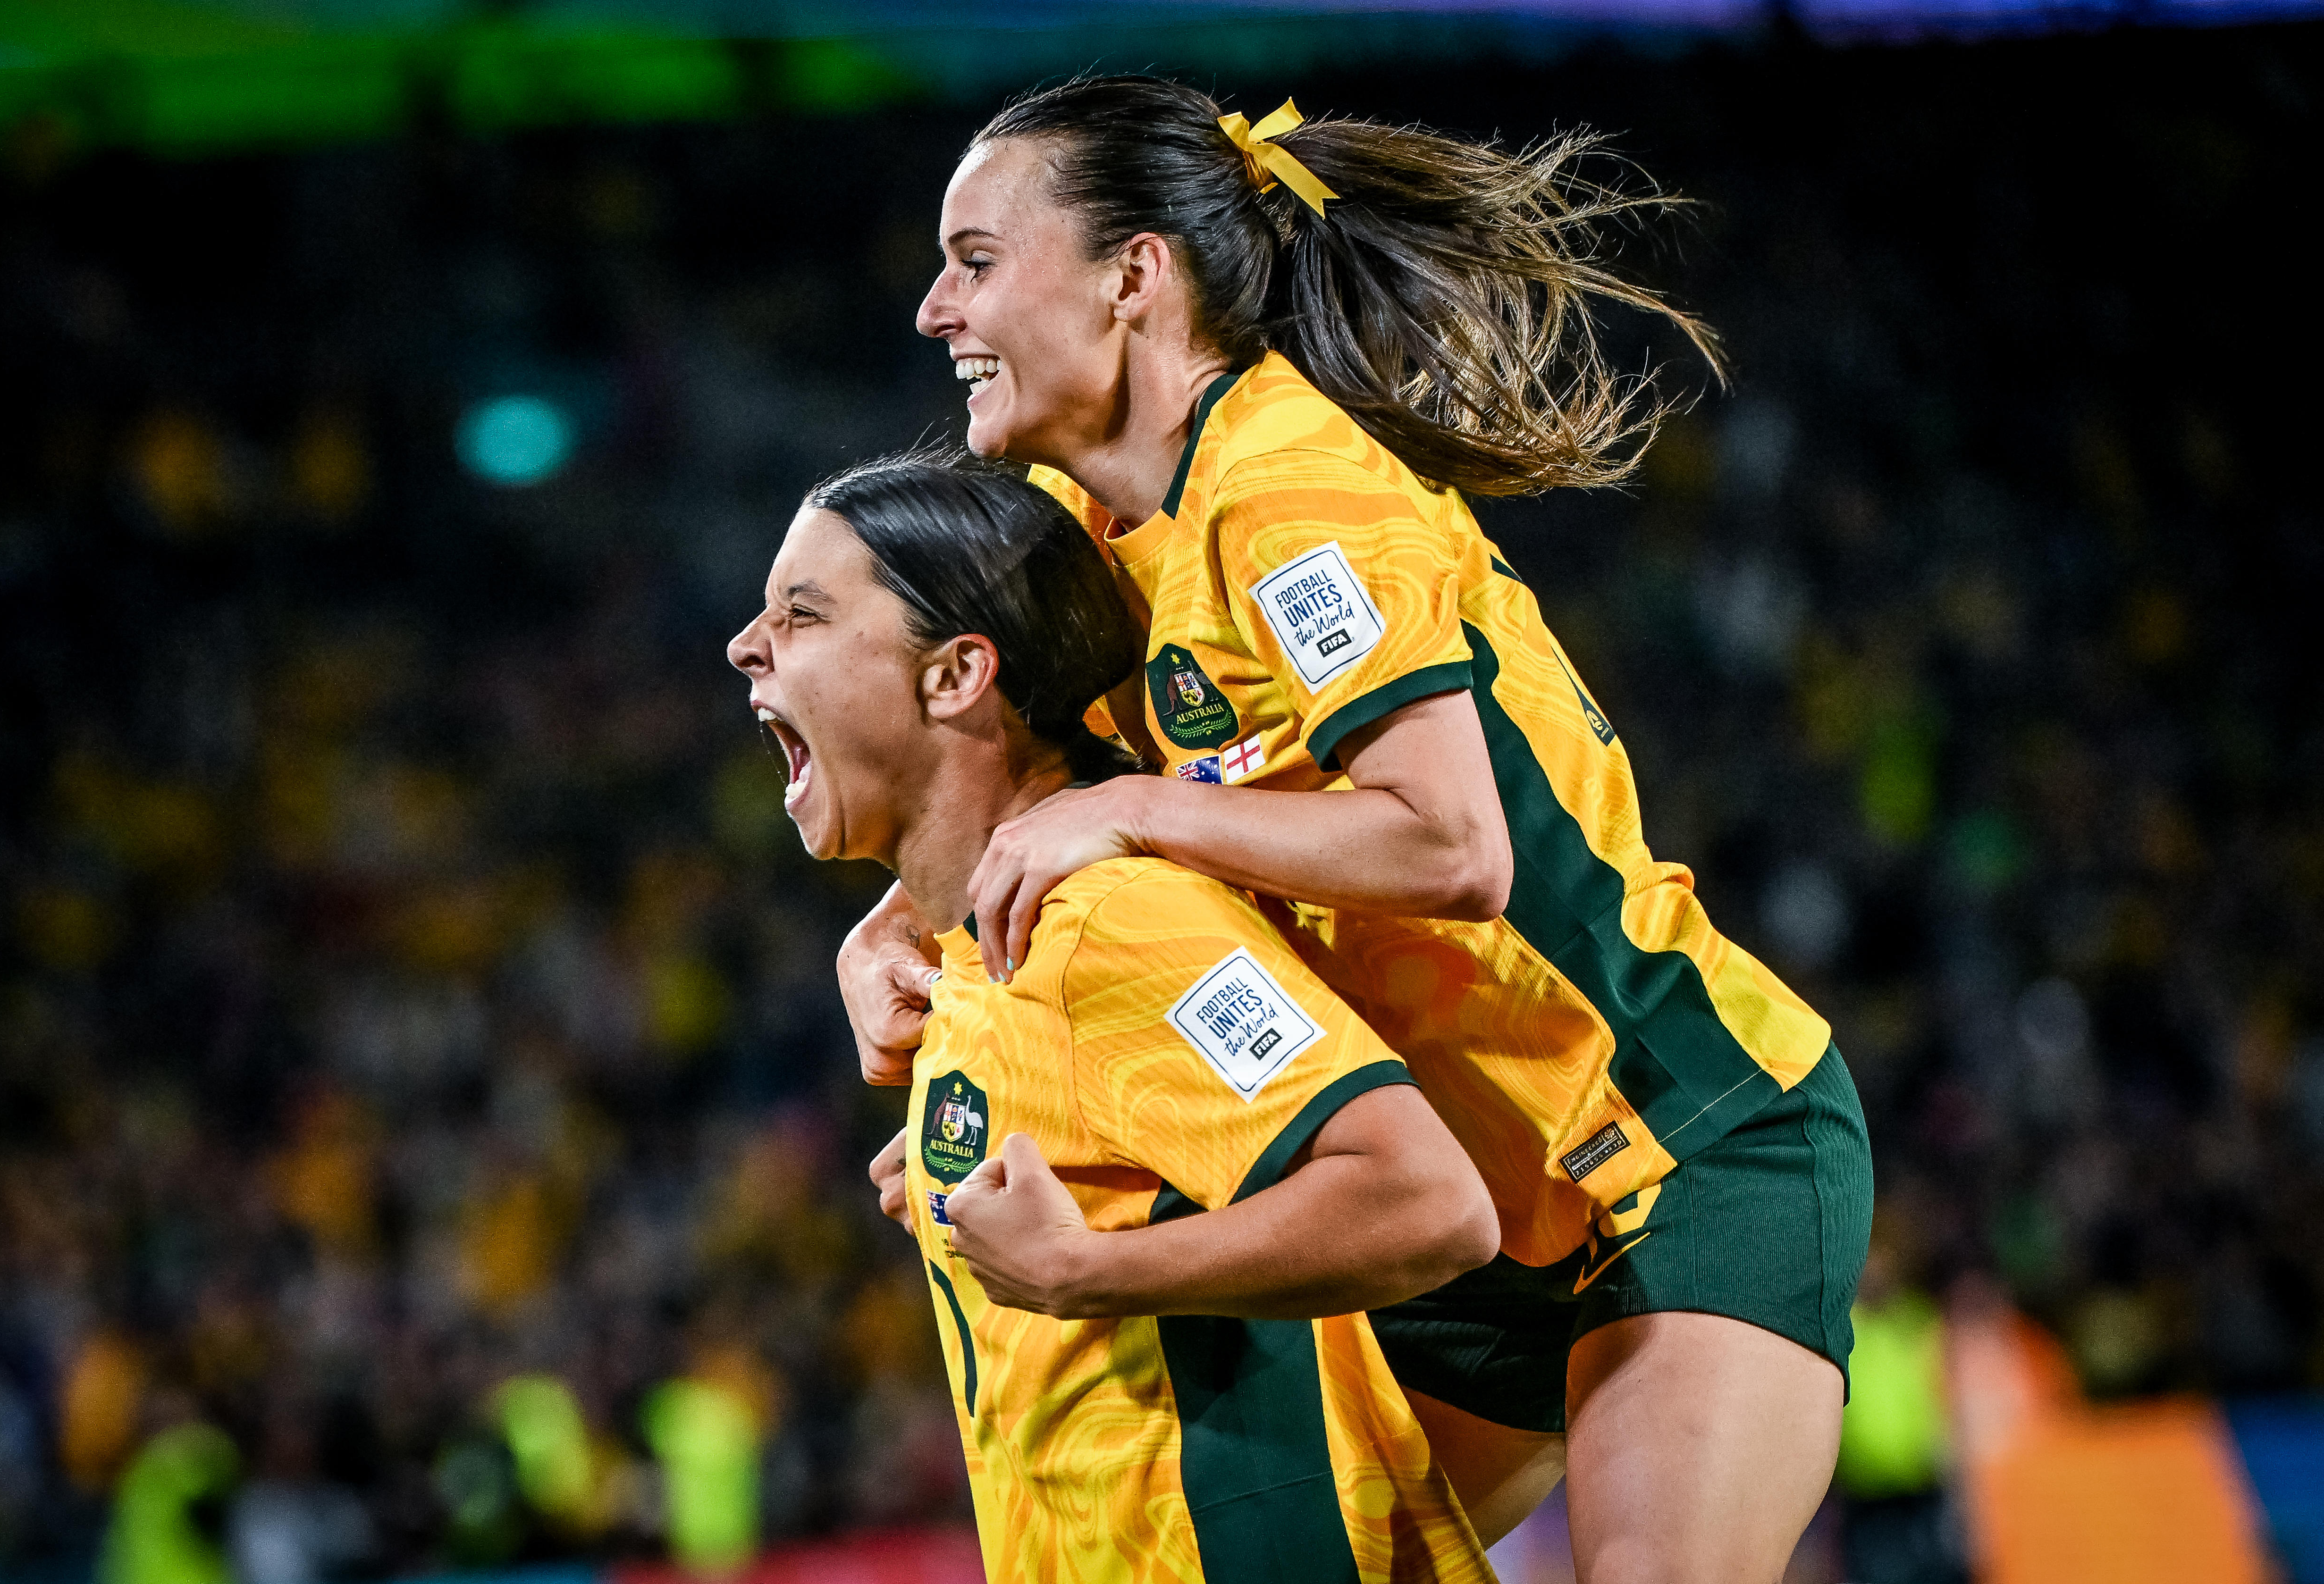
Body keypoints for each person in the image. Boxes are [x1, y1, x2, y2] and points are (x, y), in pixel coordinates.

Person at [842, 75, 1874, 1578]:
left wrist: (1133, 810)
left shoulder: (1289, 493)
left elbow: (1454, 846)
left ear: (1137, 275)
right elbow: (1011, 799)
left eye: (978, 258)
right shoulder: (1096, 533)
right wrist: (893, 935)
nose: (937, 307)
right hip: (1489, 1212)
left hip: (1683, 1142)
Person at [727, 452, 1504, 1583]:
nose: (748, 645)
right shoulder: (975, 955)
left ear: (954, 674)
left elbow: (1428, 1200)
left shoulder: (1111, 922)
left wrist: (1087, 1271)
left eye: (801, 614)